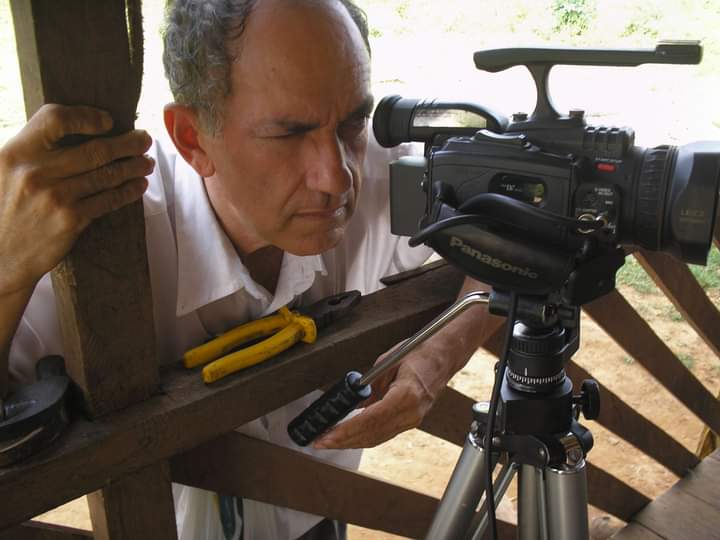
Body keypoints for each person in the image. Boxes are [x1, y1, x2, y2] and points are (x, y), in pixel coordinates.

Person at [0, 0, 503, 538]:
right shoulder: (103, 249)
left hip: (324, 516)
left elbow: (533, 218)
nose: (335, 177)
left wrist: (438, 355)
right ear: (192, 139)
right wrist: (5, 273)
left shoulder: (382, 172)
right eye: (288, 133)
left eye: (354, 120)